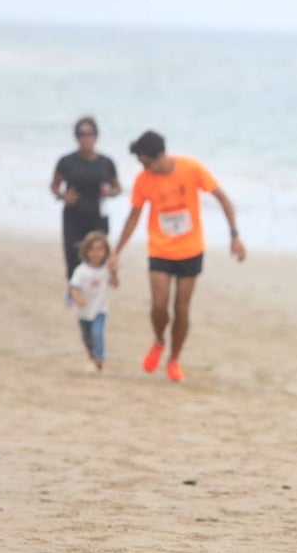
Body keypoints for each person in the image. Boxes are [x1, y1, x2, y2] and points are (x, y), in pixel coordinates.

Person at [110, 130, 245, 383]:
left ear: (160, 155)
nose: (144, 168)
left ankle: (174, 359)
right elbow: (134, 216)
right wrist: (117, 251)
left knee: (181, 308)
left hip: (190, 250)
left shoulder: (191, 168)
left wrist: (234, 235)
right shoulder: (143, 180)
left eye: (147, 163)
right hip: (159, 249)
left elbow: (223, 199)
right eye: (141, 164)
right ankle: (159, 340)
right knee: (159, 305)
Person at [51, 116, 121, 284]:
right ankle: (74, 291)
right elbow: (54, 186)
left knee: (98, 258)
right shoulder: (66, 161)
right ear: (76, 137)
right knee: (73, 259)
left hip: (98, 216)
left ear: (96, 136)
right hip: (73, 217)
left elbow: (118, 188)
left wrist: (109, 192)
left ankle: (94, 293)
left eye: (90, 133)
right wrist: (63, 196)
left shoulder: (106, 162)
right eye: (81, 134)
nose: (86, 138)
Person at [68, 231, 117, 372]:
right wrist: (77, 298)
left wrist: (114, 272)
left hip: (100, 310)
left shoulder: (106, 270)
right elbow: (73, 287)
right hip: (83, 312)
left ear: (106, 252)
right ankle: (91, 353)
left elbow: (115, 284)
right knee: (87, 337)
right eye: (92, 249)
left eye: (100, 249)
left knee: (97, 333)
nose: (96, 253)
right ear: (86, 251)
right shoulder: (81, 270)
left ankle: (99, 359)